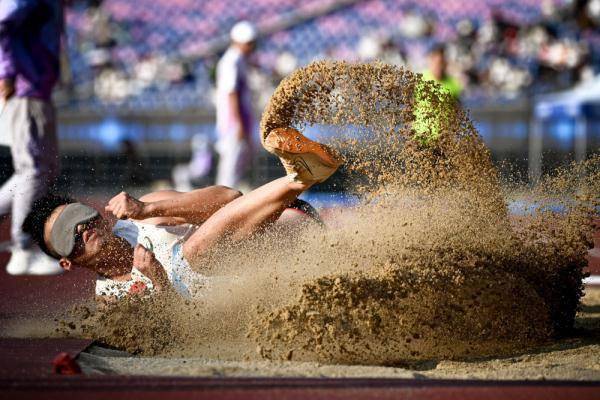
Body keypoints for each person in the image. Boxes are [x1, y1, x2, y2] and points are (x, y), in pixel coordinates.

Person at [22, 128, 343, 300]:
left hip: (284, 233)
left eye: (77, 219)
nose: (81, 231)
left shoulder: (141, 217)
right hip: (280, 286)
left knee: (194, 252)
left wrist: (149, 208)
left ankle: (301, 178)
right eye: (68, 235)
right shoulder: (109, 298)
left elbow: (230, 198)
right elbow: (166, 336)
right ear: (67, 261)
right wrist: (159, 281)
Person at [0, 0, 64, 275]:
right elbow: (2, 24)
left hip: (36, 89)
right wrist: (5, 72)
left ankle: (23, 247)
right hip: (27, 90)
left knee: (42, 170)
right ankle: (23, 250)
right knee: (33, 170)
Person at [214, 21, 257, 189]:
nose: (251, 47)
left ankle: (228, 202)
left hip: (239, 120)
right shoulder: (231, 61)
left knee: (239, 162)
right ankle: (220, 205)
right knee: (229, 168)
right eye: (248, 43)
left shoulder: (238, 59)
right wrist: (238, 124)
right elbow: (231, 93)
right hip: (232, 121)